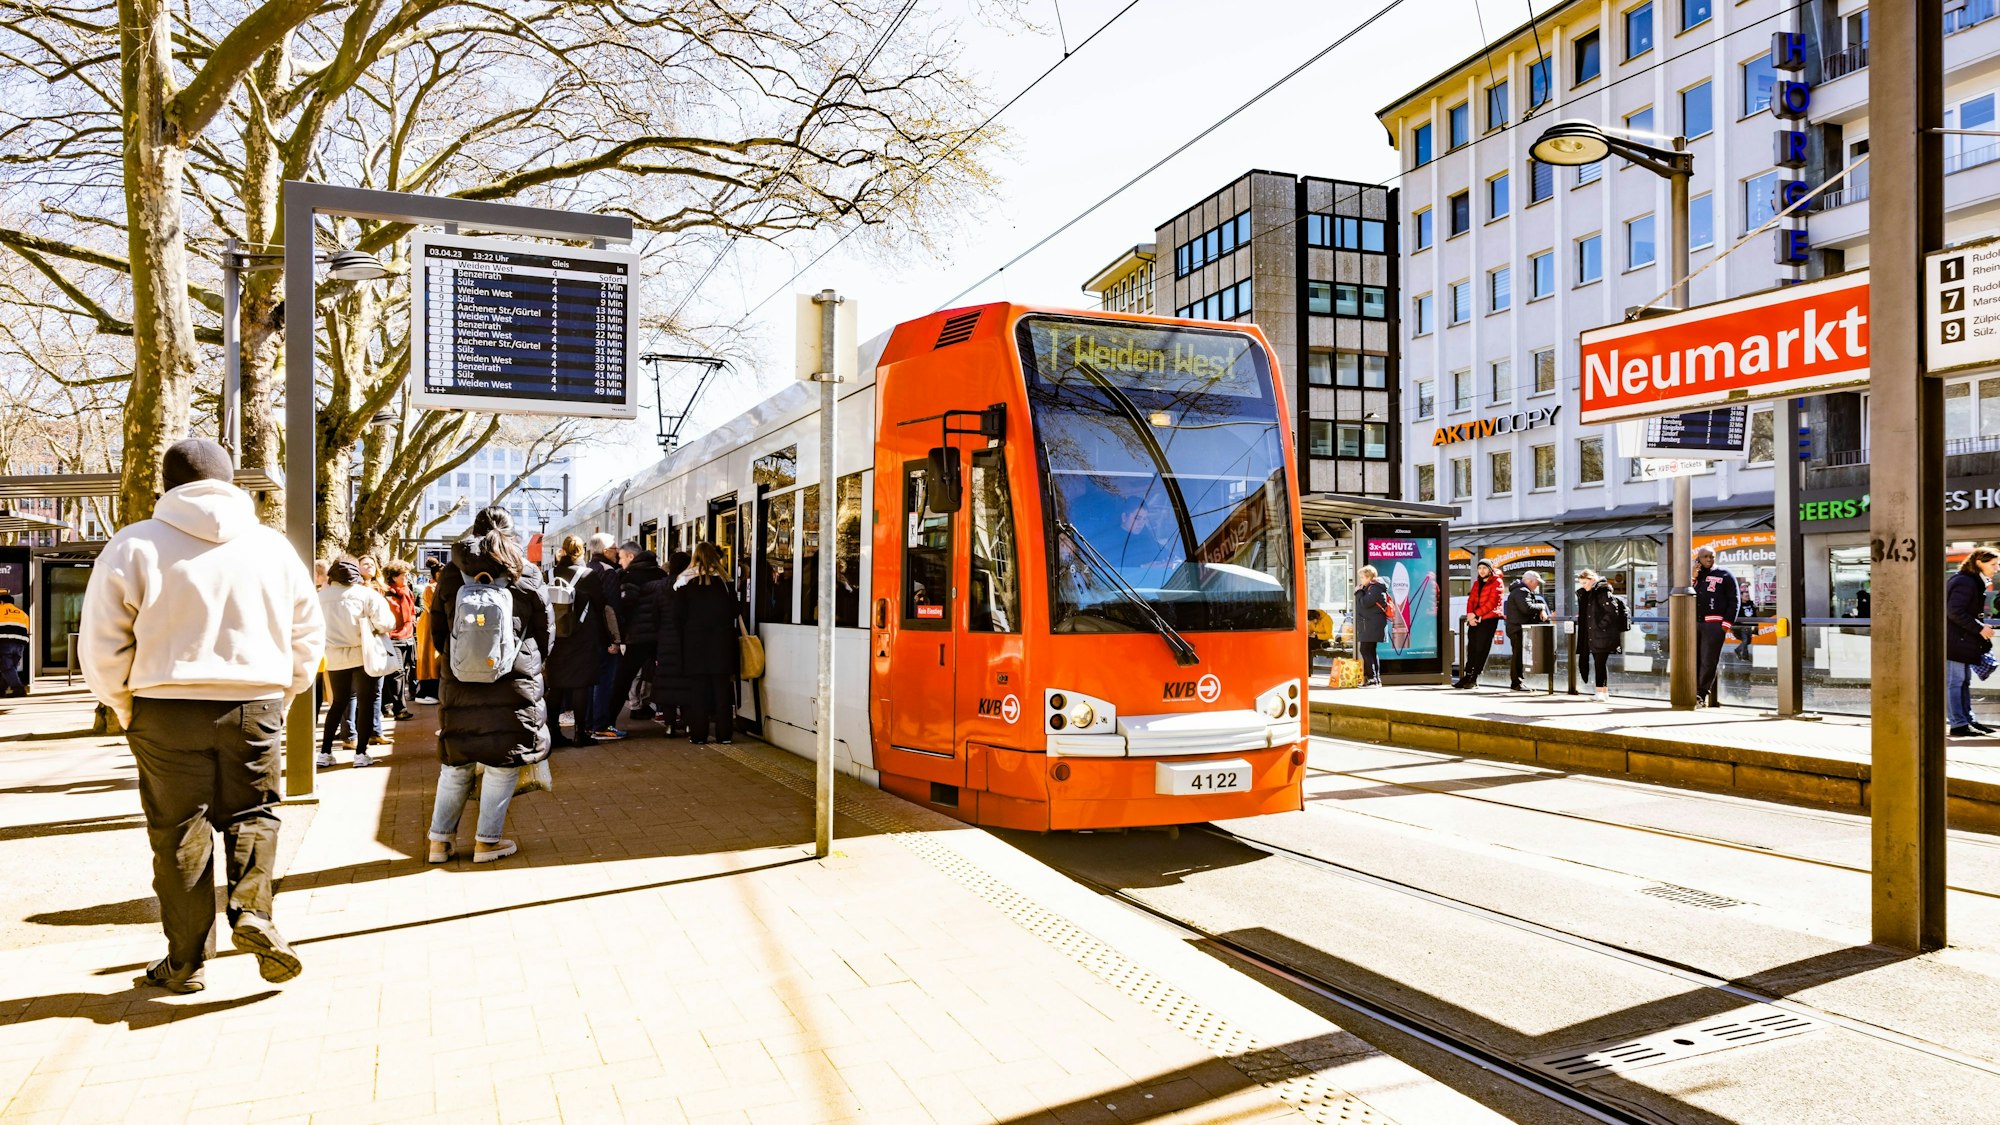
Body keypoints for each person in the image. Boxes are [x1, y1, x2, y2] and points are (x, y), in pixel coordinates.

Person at [79, 438, 323, 994]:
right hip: (255, 703)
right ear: (231, 482)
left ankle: (185, 963)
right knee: (255, 813)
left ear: (166, 485)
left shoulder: (133, 544)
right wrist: (283, 693)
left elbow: (101, 642)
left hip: (163, 708)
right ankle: (253, 912)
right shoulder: (272, 547)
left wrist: (124, 704)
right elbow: (307, 633)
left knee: (178, 833)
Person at [426, 507, 553, 863]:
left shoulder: (452, 573)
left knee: (456, 763)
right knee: (503, 761)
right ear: (511, 532)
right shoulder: (526, 571)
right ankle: (487, 842)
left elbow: (438, 630)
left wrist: (459, 659)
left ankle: (439, 843)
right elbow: (546, 630)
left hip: (459, 681)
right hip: (514, 681)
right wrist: (530, 660)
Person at [316, 557, 394, 768]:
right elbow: (386, 623)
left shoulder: (320, 597)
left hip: (334, 657)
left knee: (338, 703)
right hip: (364, 654)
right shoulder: (367, 594)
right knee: (366, 703)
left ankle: (325, 752)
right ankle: (361, 753)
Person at [545, 534, 619, 746]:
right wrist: (607, 638)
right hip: (582, 637)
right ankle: (580, 734)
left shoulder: (549, 574)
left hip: (556, 637)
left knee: (556, 686)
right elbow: (600, 606)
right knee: (581, 685)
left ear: (562, 550)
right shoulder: (588, 575)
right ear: (582, 551)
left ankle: (554, 732)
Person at [676, 542, 741, 743]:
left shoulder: (685, 581)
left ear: (694, 557)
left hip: (694, 645)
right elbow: (735, 610)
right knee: (722, 693)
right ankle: (724, 735)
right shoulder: (725, 581)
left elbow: (678, 616)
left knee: (698, 693)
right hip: (722, 645)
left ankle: (699, 735)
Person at [612, 549, 672, 723]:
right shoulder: (662, 575)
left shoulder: (630, 577)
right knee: (665, 675)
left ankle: (608, 719)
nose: (620, 562)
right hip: (660, 634)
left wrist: (622, 633)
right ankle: (669, 718)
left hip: (637, 636)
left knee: (623, 679)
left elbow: (626, 606)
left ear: (633, 558)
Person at [1946, 548, 2000, 739]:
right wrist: (1980, 628)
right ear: (1979, 562)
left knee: (1962, 682)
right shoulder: (1965, 582)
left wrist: (1979, 626)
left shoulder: (1971, 581)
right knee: (1955, 682)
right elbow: (1954, 611)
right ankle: (1958, 724)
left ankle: (1967, 721)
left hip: (1961, 640)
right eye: (1993, 564)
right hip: (1955, 641)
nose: (1997, 568)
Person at [646, 550, 694, 733]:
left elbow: (654, 616)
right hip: (687, 641)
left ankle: (669, 725)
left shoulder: (661, 586)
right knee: (686, 684)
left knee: (667, 684)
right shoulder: (690, 584)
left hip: (665, 642)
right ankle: (688, 723)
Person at [587, 533, 629, 739]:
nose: (617, 552)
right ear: (605, 551)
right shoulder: (608, 572)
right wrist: (615, 639)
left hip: (588, 635)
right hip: (604, 635)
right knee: (605, 681)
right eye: (614, 548)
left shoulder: (587, 569)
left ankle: (589, 724)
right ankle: (601, 725)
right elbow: (612, 609)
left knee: (591, 681)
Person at [1692, 547, 1739, 708]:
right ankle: (1691, 690)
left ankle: (1701, 694)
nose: (1709, 559)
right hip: (1694, 623)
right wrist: (1693, 578)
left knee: (1708, 660)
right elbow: (1686, 596)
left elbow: (1734, 600)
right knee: (1693, 659)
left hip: (1714, 625)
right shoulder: (1695, 576)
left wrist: (1726, 624)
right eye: (1705, 556)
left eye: (1711, 556)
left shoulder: (1725, 574)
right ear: (1698, 559)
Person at [1574, 569, 1629, 703]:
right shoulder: (1593, 593)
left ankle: (1600, 693)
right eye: (1581, 583)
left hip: (1601, 634)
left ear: (1592, 580)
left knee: (1599, 663)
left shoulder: (1601, 591)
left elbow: (1612, 611)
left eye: (1585, 583)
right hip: (1597, 634)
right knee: (1600, 663)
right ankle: (1603, 692)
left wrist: (1600, 626)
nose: (1583, 586)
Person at [1454, 560, 1504, 689]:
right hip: (1474, 619)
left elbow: (1492, 603)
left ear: (1490, 569)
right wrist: (1470, 615)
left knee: (1481, 649)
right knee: (1471, 648)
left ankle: (1474, 677)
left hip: (1488, 620)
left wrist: (1475, 614)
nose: (1482, 571)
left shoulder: (1497, 582)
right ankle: (1467, 675)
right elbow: (1471, 600)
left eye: (1484, 568)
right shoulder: (1477, 583)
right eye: (1479, 568)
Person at [381, 560, 419, 721]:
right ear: (393, 576)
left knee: (401, 671)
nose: (406, 578)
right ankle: (399, 709)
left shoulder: (407, 591)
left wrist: (412, 619)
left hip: (408, 637)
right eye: (403, 575)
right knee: (397, 673)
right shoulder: (385, 593)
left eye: (407, 574)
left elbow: (412, 611)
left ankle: (387, 705)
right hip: (392, 637)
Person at [1503, 570, 1551, 692]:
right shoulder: (1522, 591)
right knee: (1518, 656)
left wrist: (1539, 607)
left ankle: (1517, 682)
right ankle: (1516, 683)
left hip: (1517, 628)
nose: (1537, 585)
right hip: (1518, 629)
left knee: (1519, 656)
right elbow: (1526, 608)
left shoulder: (1519, 590)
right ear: (1529, 581)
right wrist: (1542, 607)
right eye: (1536, 583)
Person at [412, 558, 443, 704]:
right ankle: (427, 691)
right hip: (430, 624)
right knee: (429, 656)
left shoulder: (436, 587)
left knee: (431, 656)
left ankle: (429, 691)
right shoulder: (432, 588)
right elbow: (434, 609)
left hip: (431, 623)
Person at [1353, 565, 1390, 686]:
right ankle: (1375, 679)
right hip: (1370, 624)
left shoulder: (1375, 588)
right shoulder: (1372, 588)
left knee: (1365, 649)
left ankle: (1372, 678)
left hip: (1371, 624)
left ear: (1370, 577)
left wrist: (1358, 591)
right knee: (1370, 650)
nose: (1361, 580)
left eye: (1362, 577)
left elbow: (1365, 603)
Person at [0, 593, 28, 697]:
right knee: (10, 668)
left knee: (6, 667)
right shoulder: (22, 614)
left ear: (1, 602)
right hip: (20, 645)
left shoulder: (0, 609)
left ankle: (18, 689)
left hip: (4, 642)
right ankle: (1, 689)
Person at [1732, 592, 1758, 659]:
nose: (1747, 597)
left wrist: (1755, 624)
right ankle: (1745, 656)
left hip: (1749, 625)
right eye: (1746, 596)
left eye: (1748, 596)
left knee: (1748, 641)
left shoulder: (1751, 603)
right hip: (1742, 625)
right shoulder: (1739, 605)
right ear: (1741, 596)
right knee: (1745, 640)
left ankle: (1738, 650)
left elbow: (1754, 613)